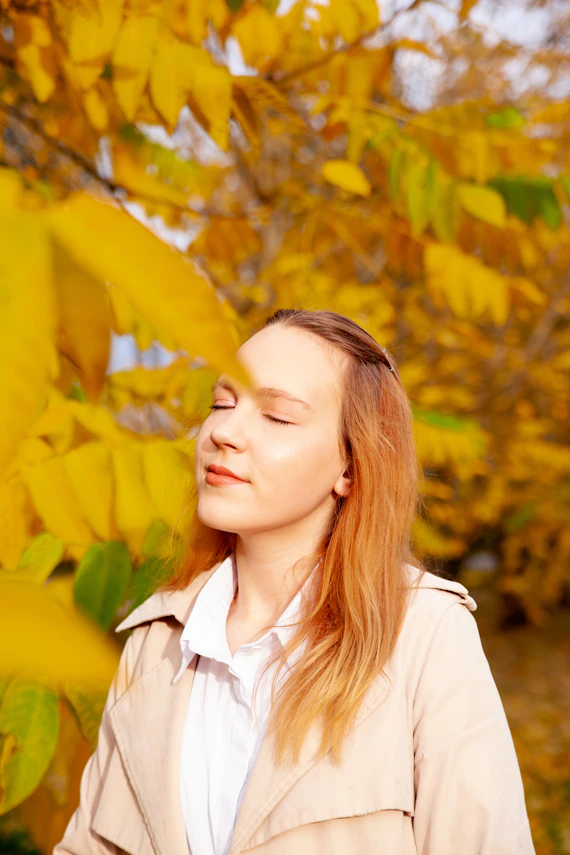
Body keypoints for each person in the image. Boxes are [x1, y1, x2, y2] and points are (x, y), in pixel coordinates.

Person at [53, 308, 535, 855]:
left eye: (277, 417)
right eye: (221, 403)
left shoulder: (423, 634)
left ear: (351, 468)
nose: (223, 433)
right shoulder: (157, 641)